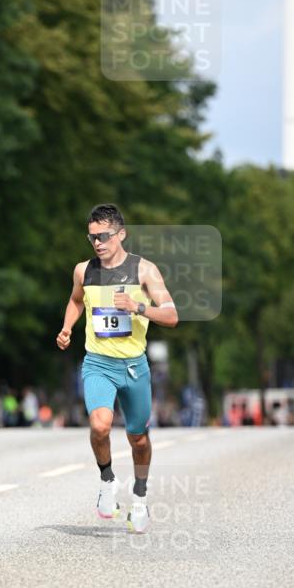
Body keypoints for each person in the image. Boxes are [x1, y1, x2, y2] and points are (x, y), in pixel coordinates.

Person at [56, 204, 178, 534]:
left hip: (135, 366)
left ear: (121, 234)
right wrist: (68, 327)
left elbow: (171, 315)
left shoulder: (145, 271)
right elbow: (76, 299)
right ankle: (107, 481)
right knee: (100, 424)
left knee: (138, 438)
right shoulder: (83, 270)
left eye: (104, 236)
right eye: (92, 237)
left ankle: (140, 495)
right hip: (98, 362)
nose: (97, 242)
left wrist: (138, 307)